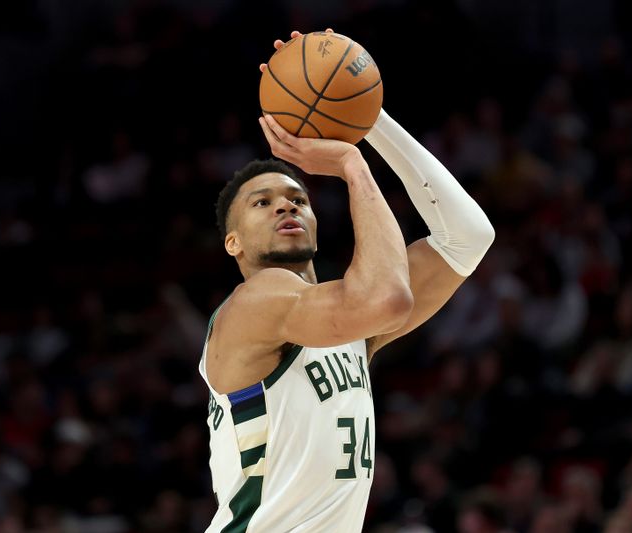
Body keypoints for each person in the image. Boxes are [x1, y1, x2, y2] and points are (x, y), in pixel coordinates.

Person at [199, 30, 495, 533]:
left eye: (298, 197)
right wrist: (352, 165)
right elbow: (385, 298)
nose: (286, 204)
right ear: (234, 244)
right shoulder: (255, 302)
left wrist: (366, 114)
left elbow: (468, 237)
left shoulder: (340, 320)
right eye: (261, 202)